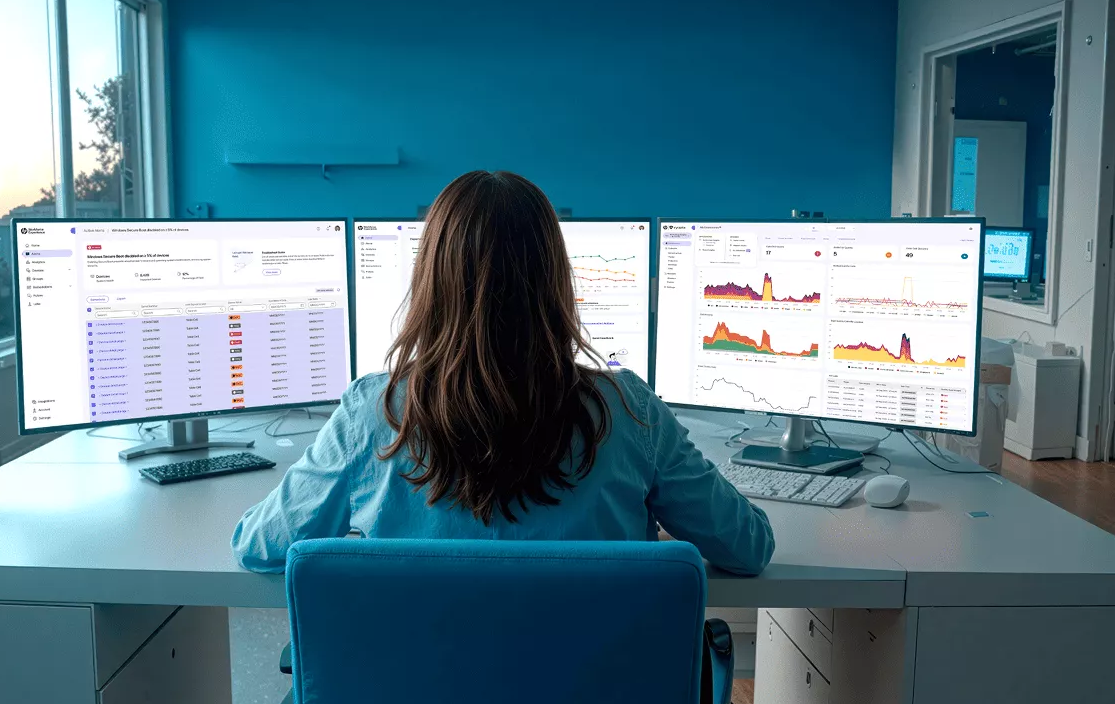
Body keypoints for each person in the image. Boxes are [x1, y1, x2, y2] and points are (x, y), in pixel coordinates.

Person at [230, 170, 774, 575]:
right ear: (556, 283)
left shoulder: (374, 413)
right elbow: (748, 547)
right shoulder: (628, 410)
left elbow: (259, 547)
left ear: (430, 285)